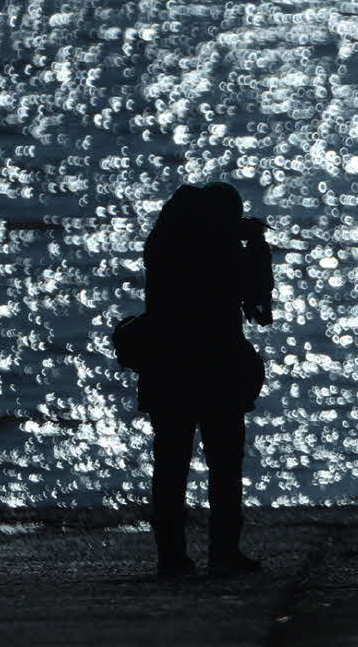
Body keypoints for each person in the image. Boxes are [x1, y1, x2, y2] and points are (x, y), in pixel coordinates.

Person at [139, 181, 274, 578]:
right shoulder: (223, 254)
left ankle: (171, 556)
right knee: (225, 465)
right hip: (218, 368)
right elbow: (258, 300)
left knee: (170, 466)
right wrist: (256, 246)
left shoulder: (163, 250)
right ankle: (224, 552)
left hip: (167, 368)